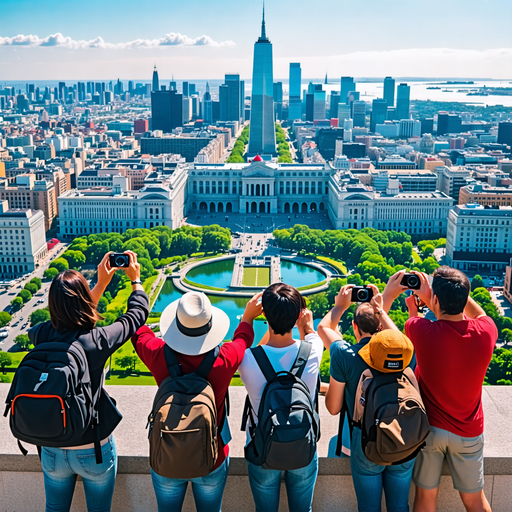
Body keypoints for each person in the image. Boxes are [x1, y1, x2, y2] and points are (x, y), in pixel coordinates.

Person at [28, 251, 149, 512]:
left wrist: (101, 285)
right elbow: (136, 315)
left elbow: (66, 322)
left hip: (51, 446)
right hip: (92, 448)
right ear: (82, 299)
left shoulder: (40, 334)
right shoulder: (96, 342)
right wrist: (135, 280)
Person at [131, 291, 261, 512]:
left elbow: (137, 328)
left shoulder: (157, 353)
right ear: (210, 325)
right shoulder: (225, 358)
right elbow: (243, 339)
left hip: (166, 456)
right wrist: (248, 317)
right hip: (212, 457)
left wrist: (137, 286)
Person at [389, 267, 496, 512]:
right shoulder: (487, 332)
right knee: (475, 501)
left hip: (431, 431)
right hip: (469, 431)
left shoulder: (421, 330)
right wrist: (449, 292)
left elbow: (411, 320)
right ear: (465, 297)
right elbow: (479, 315)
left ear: (435, 300)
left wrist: (418, 305)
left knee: (425, 499)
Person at [317, 283, 416, 512]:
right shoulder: (404, 353)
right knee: (400, 506)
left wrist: (339, 307)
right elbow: (400, 339)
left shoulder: (344, 354)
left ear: (354, 327)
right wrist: (380, 310)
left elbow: (323, 328)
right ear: (382, 327)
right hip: (404, 436)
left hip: (366, 442)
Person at [238, 283, 324, 512]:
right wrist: (305, 324)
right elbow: (311, 334)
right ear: (297, 316)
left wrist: (247, 318)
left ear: (264, 314)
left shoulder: (247, 360)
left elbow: (255, 348)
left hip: (262, 447)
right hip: (303, 444)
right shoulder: (314, 350)